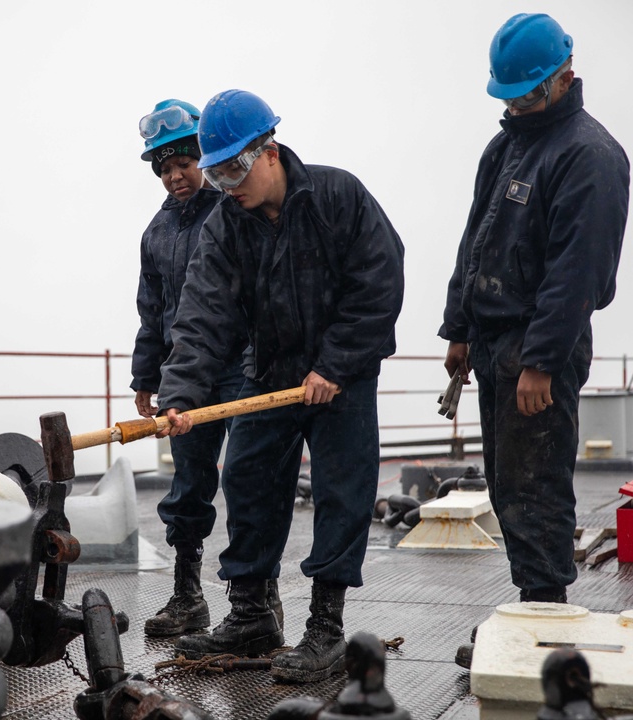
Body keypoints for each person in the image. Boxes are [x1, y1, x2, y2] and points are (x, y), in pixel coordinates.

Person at [155, 89, 405, 684]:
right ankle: (252, 615)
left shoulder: (338, 196)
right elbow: (202, 314)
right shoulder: (224, 228)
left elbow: (380, 280)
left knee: (342, 490)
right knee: (245, 474)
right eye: (216, 172)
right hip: (269, 372)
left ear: (269, 151)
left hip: (341, 378)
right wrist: (182, 394)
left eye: (235, 168)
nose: (227, 182)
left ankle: (325, 626)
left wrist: (336, 364)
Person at [439, 13, 630, 604]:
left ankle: (544, 613)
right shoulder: (506, 147)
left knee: (536, 484)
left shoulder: (590, 156)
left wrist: (542, 361)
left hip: (539, 345)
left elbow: (580, 270)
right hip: (496, 342)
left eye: (525, 94)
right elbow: (476, 241)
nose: (516, 106)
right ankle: (534, 607)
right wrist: (459, 328)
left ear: (564, 76)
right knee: (505, 482)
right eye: (509, 96)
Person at [131, 99, 259, 637]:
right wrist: (146, 376)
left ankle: (257, 602)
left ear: (203, 156)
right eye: (163, 168)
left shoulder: (236, 209)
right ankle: (187, 596)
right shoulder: (155, 235)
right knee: (188, 485)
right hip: (183, 378)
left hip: (241, 368)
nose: (175, 176)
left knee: (253, 483)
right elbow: (151, 309)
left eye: (183, 162)